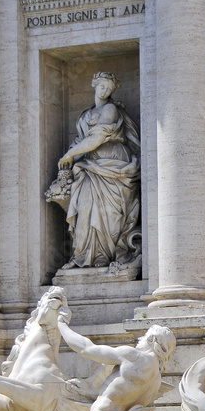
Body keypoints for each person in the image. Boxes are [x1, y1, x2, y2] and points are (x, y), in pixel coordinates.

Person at [51, 72, 141, 269]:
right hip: (89, 167)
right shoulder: (86, 113)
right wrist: (68, 162)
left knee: (108, 213)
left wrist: (70, 155)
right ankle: (83, 256)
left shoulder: (110, 109)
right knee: (84, 209)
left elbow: (97, 139)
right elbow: (81, 140)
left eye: (109, 89)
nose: (105, 91)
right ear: (94, 85)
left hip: (113, 164)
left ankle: (104, 257)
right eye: (103, 87)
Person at [57, 313, 176, 411]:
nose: (141, 340)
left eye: (144, 336)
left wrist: (61, 324)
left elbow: (86, 348)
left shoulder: (134, 357)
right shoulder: (156, 380)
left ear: (151, 339)